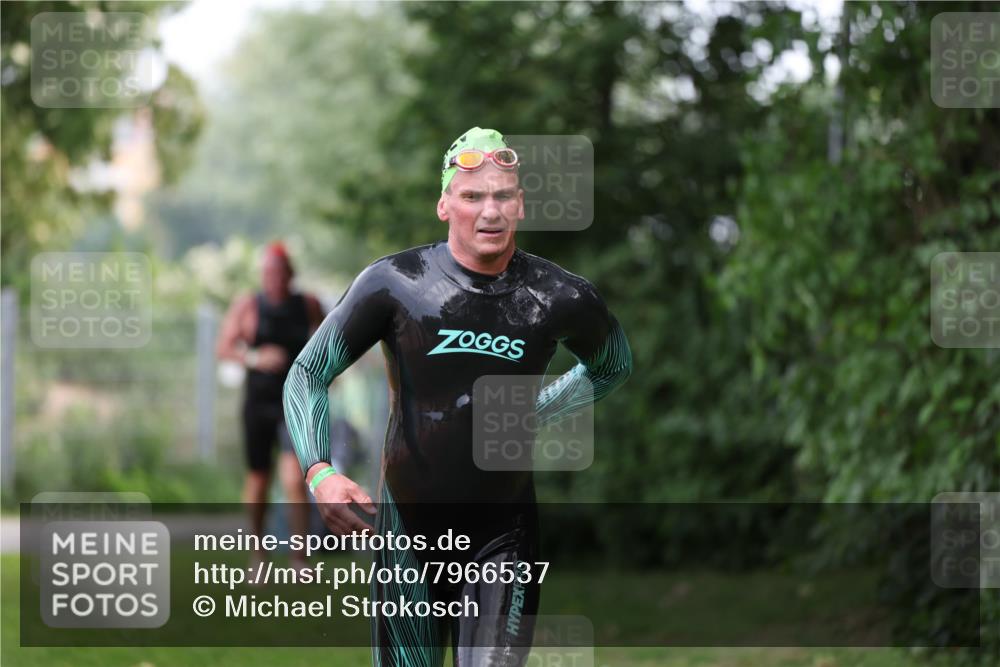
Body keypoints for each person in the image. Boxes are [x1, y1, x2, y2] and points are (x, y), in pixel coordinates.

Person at [284, 127, 632, 666]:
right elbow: (307, 373)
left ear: (520, 204)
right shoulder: (395, 283)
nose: (488, 211)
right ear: (445, 204)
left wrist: (542, 408)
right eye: (472, 196)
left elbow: (612, 364)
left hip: (503, 538)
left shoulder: (559, 296)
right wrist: (320, 473)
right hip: (407, 537)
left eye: (502, 195)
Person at [216, 241, 325, 570]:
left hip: (295, 401)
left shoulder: (307, 304)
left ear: (290, 274)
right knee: (258, 480)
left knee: (295, 477)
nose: (274, 278)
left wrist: (320, 373)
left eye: (280, 272)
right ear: (262, 276)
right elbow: (223, 348)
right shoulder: (248, 304)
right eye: (268, 272)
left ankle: (299, 558)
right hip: (258, 402)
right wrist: (254, 357)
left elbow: (329, 341)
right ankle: (258, 554)